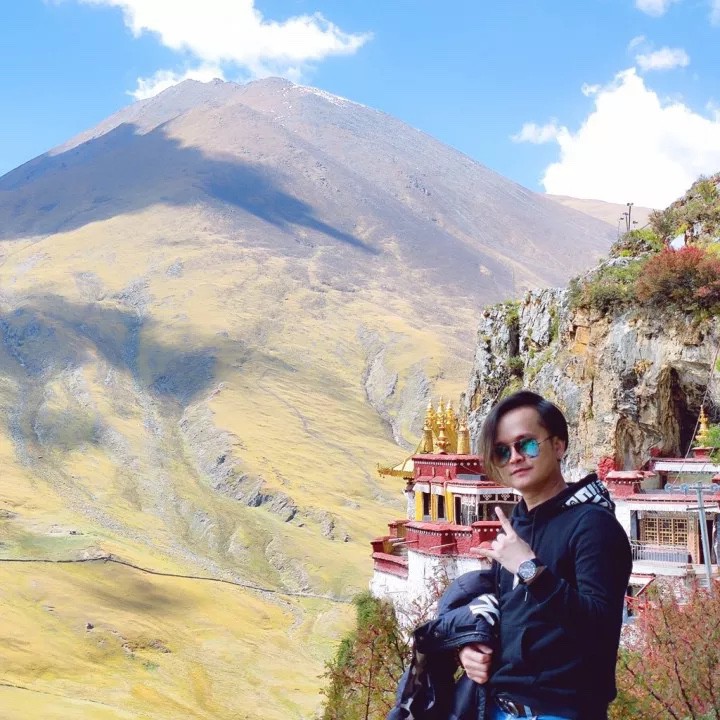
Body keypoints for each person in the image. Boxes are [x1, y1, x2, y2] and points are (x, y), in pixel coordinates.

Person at [456, 390, 632, 720]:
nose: (515, 458)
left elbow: (600, 627)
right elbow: (506, 616)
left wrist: (530, 569)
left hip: (561, 711)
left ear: (558, 445)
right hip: (498, 706)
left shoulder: (593, 525)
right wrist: (471, 649)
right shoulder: (515, 527)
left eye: (527, 445)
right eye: (502, 451)